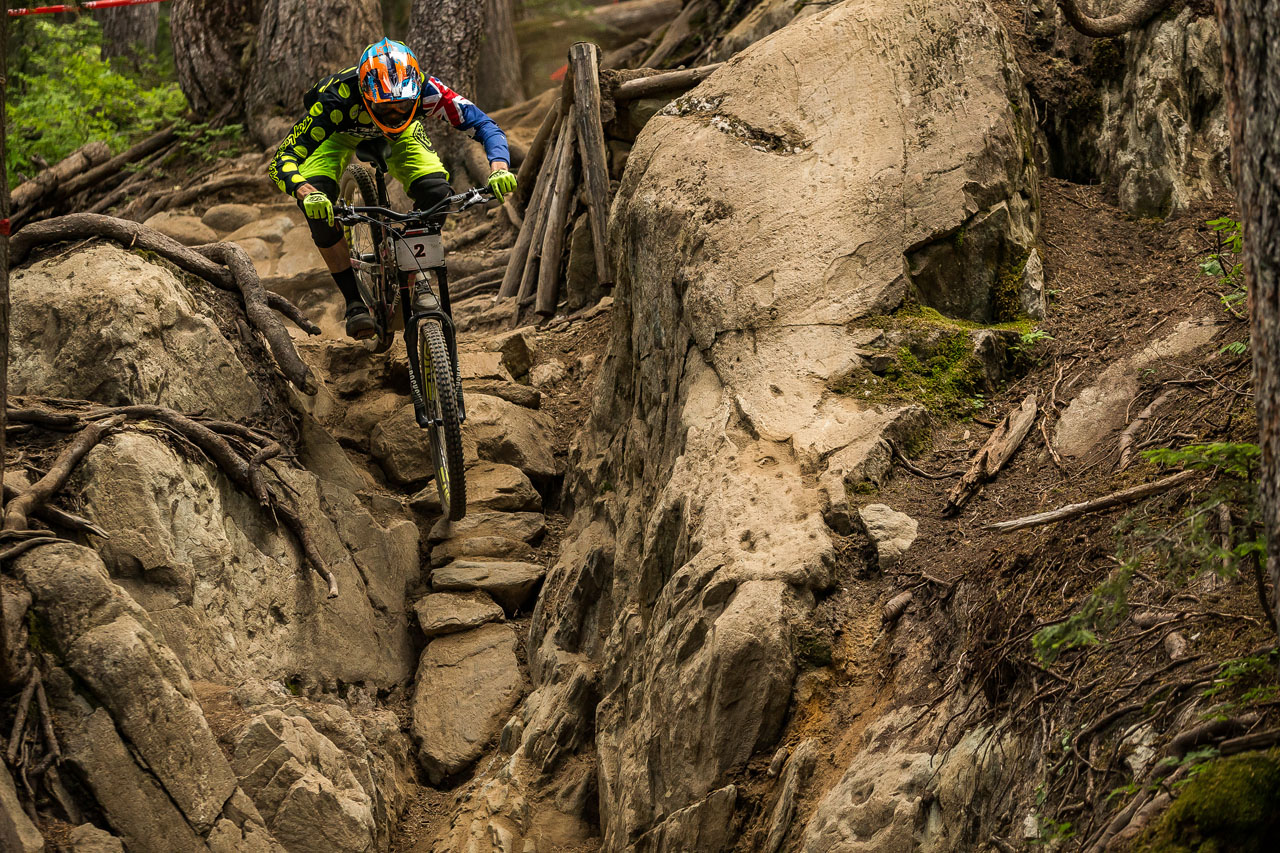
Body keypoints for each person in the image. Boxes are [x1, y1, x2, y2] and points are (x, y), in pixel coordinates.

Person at [268, 38, 517, 339]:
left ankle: (409, 260)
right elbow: (282, 159)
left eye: (404, 105)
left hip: (404, 137)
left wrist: (499, 168)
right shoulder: (336, 100)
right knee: (319, 210)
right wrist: (306, 192)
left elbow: (485, 125)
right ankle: (354, 303)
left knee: (437, 192)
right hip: (337, 135)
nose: (396, 113)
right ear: (366, 95)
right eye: (386, 108)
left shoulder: (428, 90)